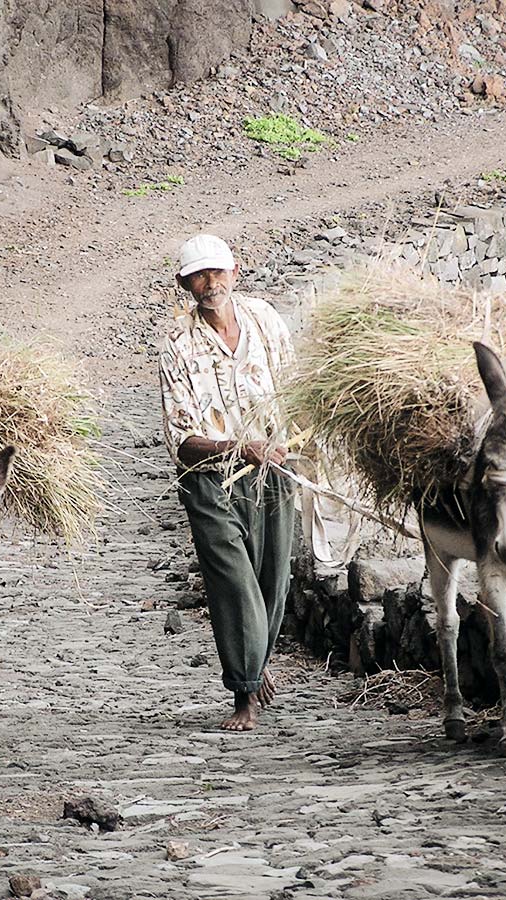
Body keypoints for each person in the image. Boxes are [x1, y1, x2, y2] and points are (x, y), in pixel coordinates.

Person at [158, 234, 297, 732]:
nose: (210, 282)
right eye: (198, 275)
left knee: (272, 580)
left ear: (235, 271)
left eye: (217, 272)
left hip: (274, 472)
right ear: (185, 284)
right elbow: (182, 439)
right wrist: (239, 448)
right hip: (211, 482)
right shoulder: (177, 345)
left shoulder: (265, 320)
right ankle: (245, 692)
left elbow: (294, 388)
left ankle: (257, 662)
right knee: (234, 584)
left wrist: (293, 446)